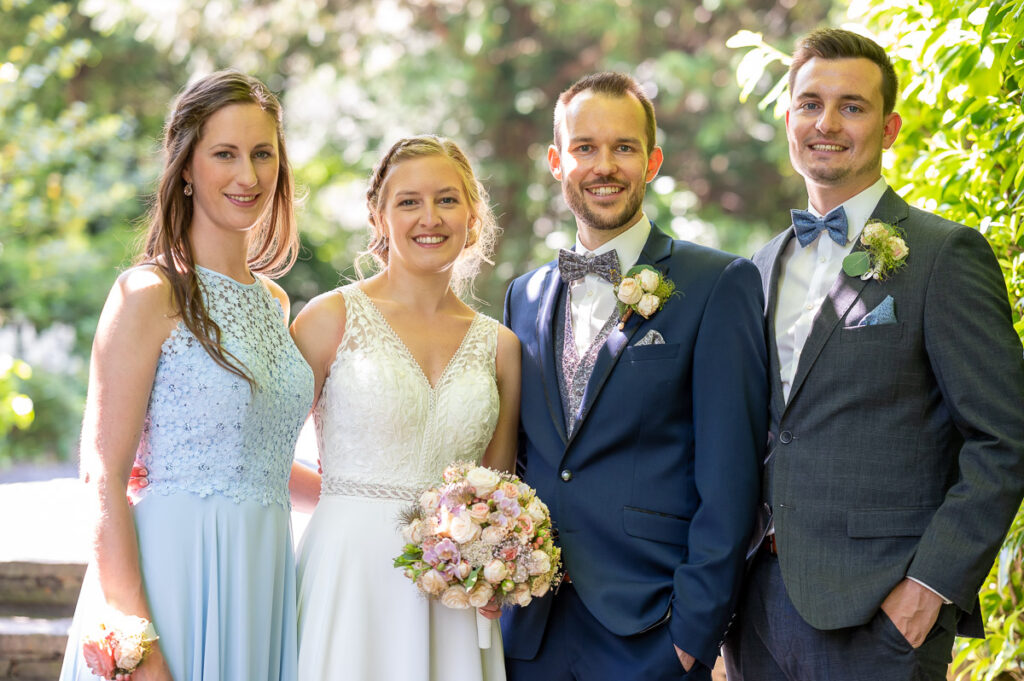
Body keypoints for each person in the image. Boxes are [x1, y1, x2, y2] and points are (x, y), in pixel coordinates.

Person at [722, 28, 1024, 681]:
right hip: (755, 611)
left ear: (887, 129)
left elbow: (1005, 437)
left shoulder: (944, 256)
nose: (826, 122)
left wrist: (928, 589)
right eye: (810, 104)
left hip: (878, 618)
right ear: (788, 119)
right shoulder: (759, 265)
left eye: (851, 107)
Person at [500, 72, 768, 681]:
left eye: (623, 148)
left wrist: (693, 632)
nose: (605, 166)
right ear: (555, 161)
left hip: (650, 631)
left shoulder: (717, 283)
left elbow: (731, 478)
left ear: (652, 162)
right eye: (585, 148)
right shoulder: (523, 294)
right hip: (531, 631)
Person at [59, 71, 312, 681]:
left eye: (262, 154)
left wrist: (375, 492)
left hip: (262, 574)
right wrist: (134, 638)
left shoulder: (276, 303)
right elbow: (103, 474)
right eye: (224, 154)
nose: (247, 176)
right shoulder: (148, 293)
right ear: (187, 167)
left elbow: (259, 459)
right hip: (173, 574)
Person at [288, 135, 521, 680]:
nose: (429, 217)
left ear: (472, 216)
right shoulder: (327, 320)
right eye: (408, 201)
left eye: (446, 199)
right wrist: (351, 500)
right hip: (349, 575)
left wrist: (496, 565)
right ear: (379, 215)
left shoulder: (501, 347)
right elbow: (261, 458)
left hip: (456, 591)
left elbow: (500, 485)